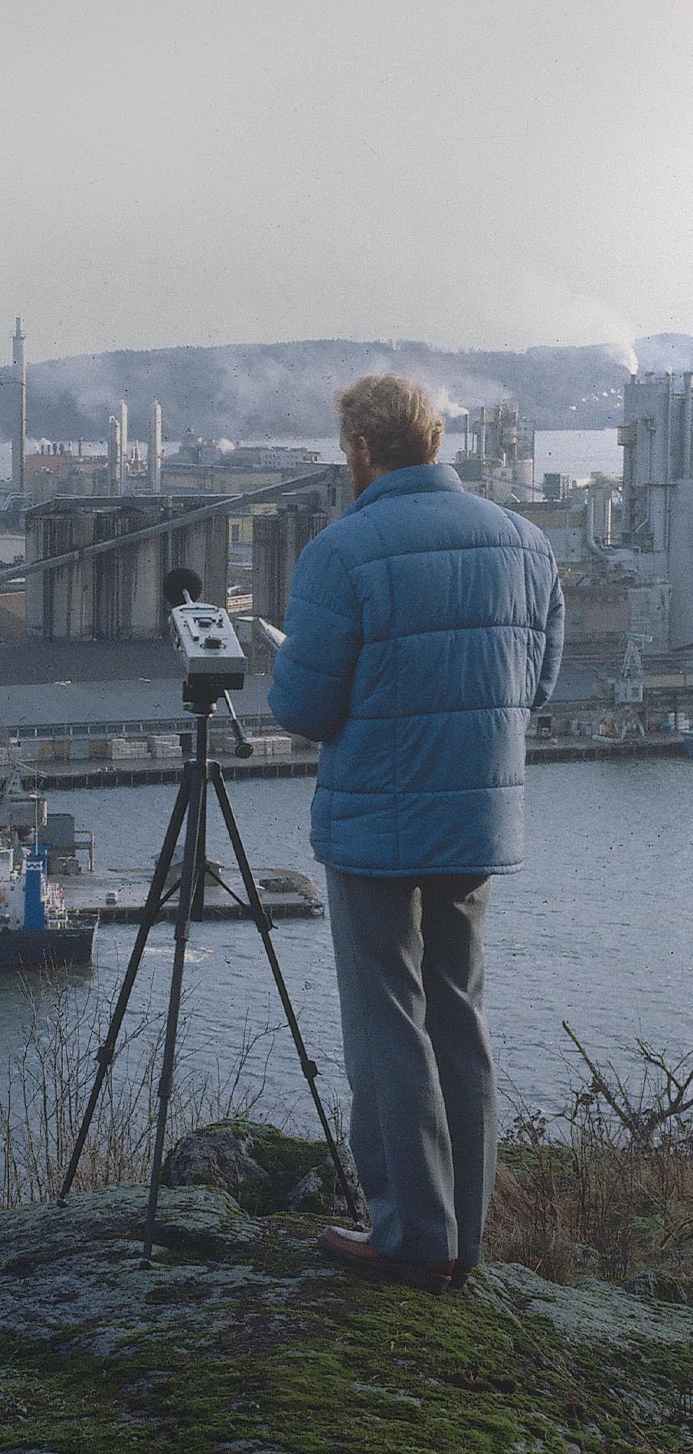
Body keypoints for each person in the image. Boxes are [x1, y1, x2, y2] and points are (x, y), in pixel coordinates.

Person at [268, 373, 564, 1294]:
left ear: (361, 450)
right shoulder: (525, 541)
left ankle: (409, 1234)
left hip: (374, 825)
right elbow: (538, 689)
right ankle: (462, 1239)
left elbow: (306, 709)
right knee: (459, 1018)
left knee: (388, 1025)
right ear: (432, 440)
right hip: (477, 816)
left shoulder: (342, 550)